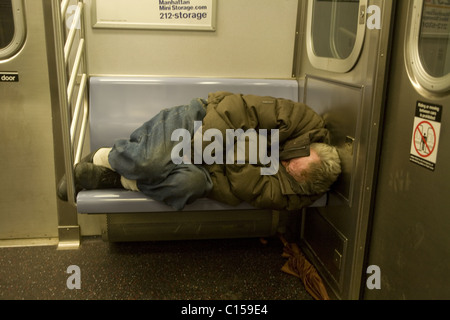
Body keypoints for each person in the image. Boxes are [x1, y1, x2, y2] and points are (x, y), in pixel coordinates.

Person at [58, 91, 341, 211]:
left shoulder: (296, 194)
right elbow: (237, 109)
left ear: (303, 184)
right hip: (200, 123)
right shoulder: (303, 121)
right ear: (310, 148)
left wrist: (248, 141)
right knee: (151, 163)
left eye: (292, 171)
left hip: (208, 177)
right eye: (294, 159)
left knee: (189, 184)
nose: (287, 163)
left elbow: (247, 187)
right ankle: (103, 157)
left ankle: (118, 178)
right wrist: (201, 149)